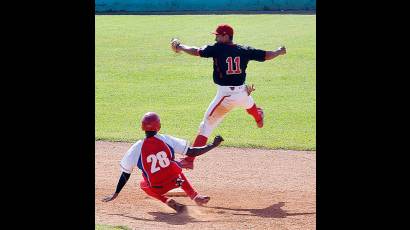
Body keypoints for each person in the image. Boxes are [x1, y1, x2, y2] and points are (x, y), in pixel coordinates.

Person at [170, 23, 287, 169]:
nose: (216, 38)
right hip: (243, 92)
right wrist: (278, 51)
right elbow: (266, 55)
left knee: (206, 125)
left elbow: (196, 51)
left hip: (226, 96)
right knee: (248, 104)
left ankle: (189, 160)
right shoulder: (244, 50)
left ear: (226, 36)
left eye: (218, 35)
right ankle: (258, 116)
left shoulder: (217, 49)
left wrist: (180, 46)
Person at [102, 112, 224, 213]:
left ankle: (166, 200)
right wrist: (212, 145)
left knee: (143, 184)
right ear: (158, 127)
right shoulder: (167, 139)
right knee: (174, 167)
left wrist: (116, 193)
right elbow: (191, 152)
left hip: (157, 188)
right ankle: (195, 196)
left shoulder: (136, 148)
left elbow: (125, 174)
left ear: (142, 127)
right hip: (175, 182)